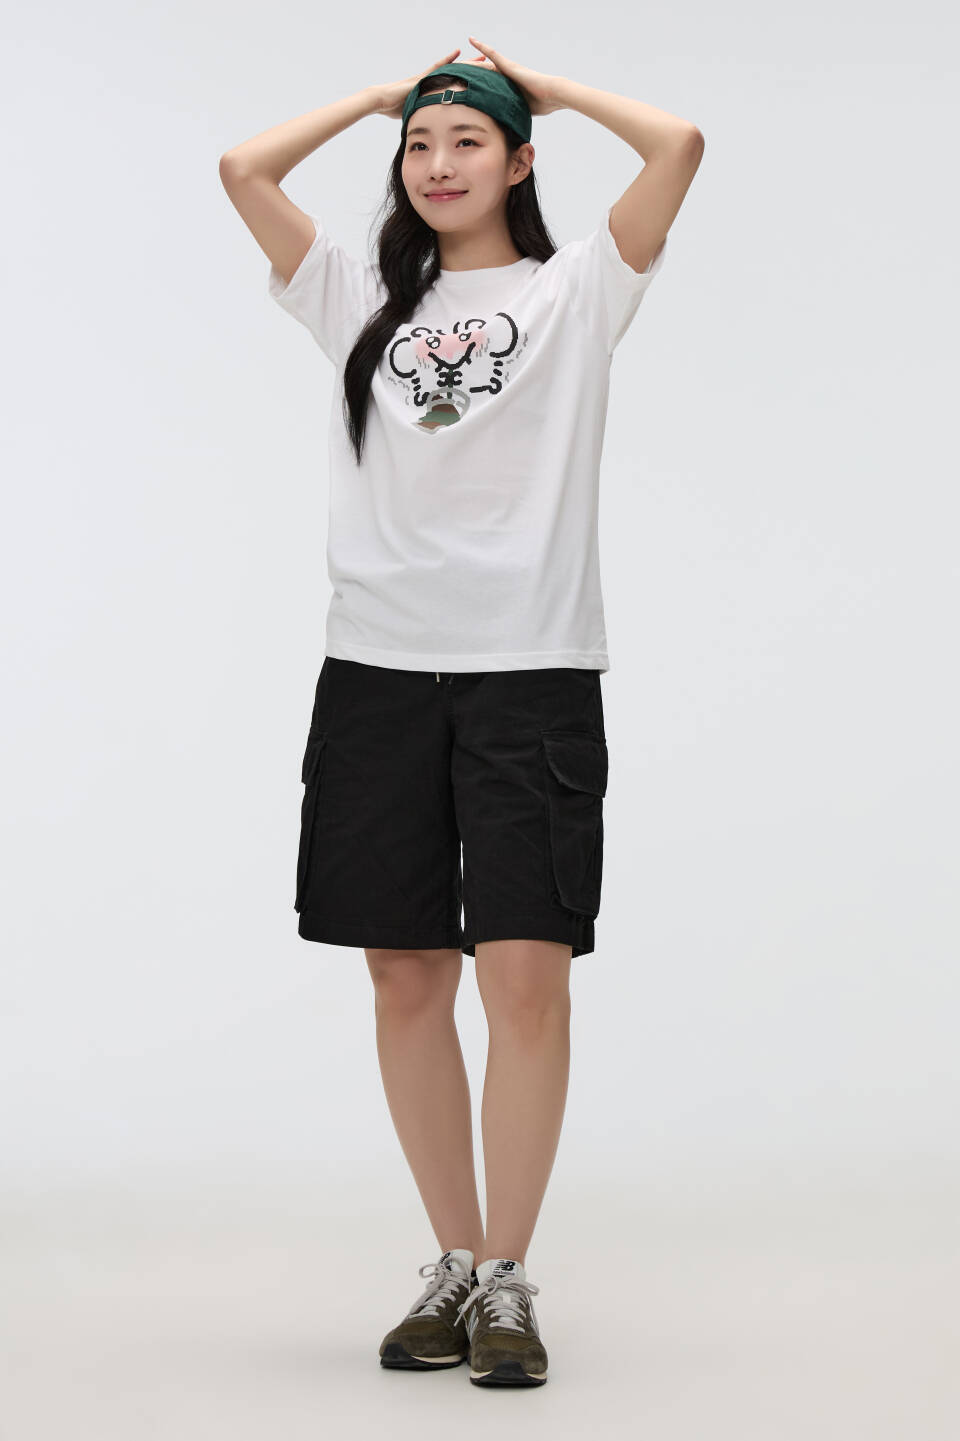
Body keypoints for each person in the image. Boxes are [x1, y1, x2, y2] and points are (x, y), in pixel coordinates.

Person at [219, 38, 703, 1387]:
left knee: (525, 974)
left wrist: (549, 86)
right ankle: (449, 1259)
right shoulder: (357, 294)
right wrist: (382, 97)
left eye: (467, 142)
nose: (437, 165)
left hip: (530, 672)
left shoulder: (577, 290)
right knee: (406, 974)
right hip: (376, 674)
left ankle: (505, 1277)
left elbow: (679, 146)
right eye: (420, 147)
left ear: (521, 162)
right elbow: (242, 170)